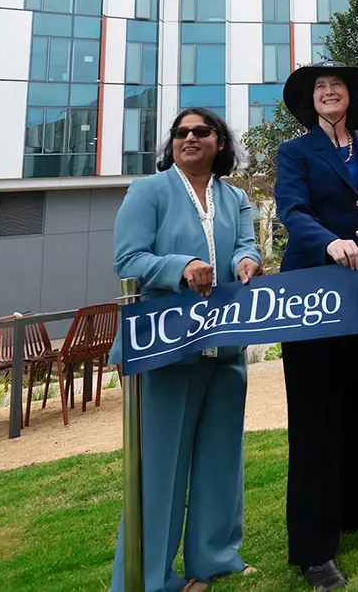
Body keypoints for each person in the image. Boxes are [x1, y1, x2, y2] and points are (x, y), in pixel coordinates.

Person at [110, 108, 263, 592]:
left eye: (201, 132)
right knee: (159, 466)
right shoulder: (148, 191)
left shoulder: (236, 197)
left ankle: (215, 558)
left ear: (220, 142)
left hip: (225, 343)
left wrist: (246, 261)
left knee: (222, 456)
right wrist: (182, 265)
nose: (189, 138)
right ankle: (149, 577)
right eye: (181, 133)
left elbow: (247, 245)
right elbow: (128, 259)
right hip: (165, 347)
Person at [274, 61, 358, 592]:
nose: (328, 93)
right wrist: (328, 240)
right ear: (310, 101)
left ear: (350, 97)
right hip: (313, 295)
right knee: (316, 414)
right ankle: (314, 548)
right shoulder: (295, 153)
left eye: (336, 87)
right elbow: (292, 211)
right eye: (319, 88)